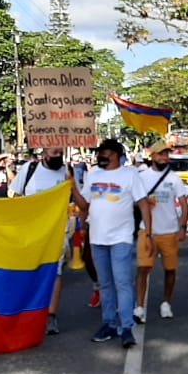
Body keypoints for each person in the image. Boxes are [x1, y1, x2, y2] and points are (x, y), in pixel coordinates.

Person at [69, 139, 151, 349]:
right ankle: (109, 324)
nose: (100, 156)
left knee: (122, 283)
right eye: (99, 153)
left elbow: (143, 204)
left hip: (121, 238)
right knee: (105, 284)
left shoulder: (130, 174)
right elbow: (84, 204)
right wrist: (72, 186)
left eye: (104, 153)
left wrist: (148, 233)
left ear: (115, 154)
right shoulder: (93, 174)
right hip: (97, 239)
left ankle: (127, 327)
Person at [11, 147, 77, 335]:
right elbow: (15, 197)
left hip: (57, 231)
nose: (58, 156)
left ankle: (51, 316)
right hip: (30, 232)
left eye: (60, 153)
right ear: (44, 153)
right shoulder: (29, 169)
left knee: (55, 271)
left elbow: (74, 200)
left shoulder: (67, 172)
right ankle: (27, 311)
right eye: (54, 152)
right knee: (29, 271)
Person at [134, 142, 188, 323]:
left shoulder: (174, 178)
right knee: (143, 268)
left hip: (169, 231)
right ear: (152, 157)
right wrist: (144, 204)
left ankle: (166, 303)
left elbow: (184, 204)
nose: (164, 158)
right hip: (147, 231)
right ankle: (139, 306)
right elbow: (133, 201)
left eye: (166, 154)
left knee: (170, 270)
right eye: (160, 154)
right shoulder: (141, 177)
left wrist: (183, 227)